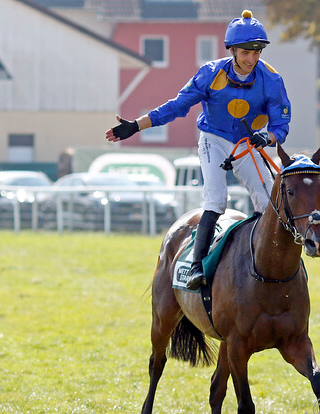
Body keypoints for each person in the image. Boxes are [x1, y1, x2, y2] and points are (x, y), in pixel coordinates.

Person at [105, 10, 291, 290]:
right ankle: (196, 266)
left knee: (269, 203)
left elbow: (281, 125)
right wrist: (136, 126)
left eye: (257, 52)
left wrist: (268, 137)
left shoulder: (272, 80)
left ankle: (271, 264)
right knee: (216, 199)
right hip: (213, 139)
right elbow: (177, 106)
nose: (252, 59)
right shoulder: (210, 73)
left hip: (248, 143)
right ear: (231, 50)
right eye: (245, 52)